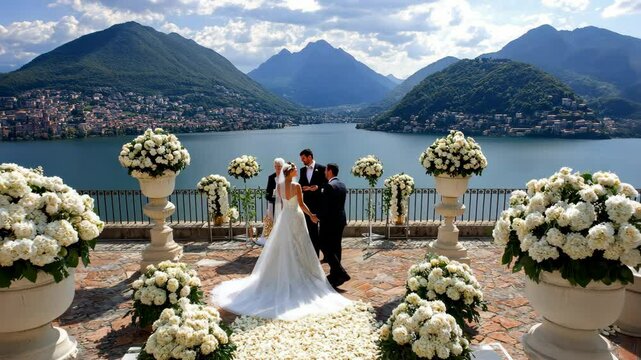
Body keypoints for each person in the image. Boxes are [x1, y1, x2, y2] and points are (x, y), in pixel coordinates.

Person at [210, 162, 351, 320]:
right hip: (296, 217)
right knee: (299, 244)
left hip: (285, 218)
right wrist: (311, 215)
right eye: (295, 169)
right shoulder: (297, 186)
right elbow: (301, 204)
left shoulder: (279, 186)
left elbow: (282, 205)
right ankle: (300, 273)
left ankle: (281, 272)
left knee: (284, 245)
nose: (297, 170)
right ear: (290, 172)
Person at [319, 163, 351, 288]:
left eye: (326, 170)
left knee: (324, 244)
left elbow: (326, 207)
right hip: (340, 220)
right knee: (336, 246)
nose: (324, 172)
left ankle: (340, 272)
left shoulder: (329, 186)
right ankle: (335, 276)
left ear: (330, 171)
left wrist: (317, 216)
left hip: (329, 222)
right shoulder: (342, 185)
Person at [298, 149, 327, 258]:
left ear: (310, 157)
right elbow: (300, 184)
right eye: (301, 159)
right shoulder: (302, 170)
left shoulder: (322, 168)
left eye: (303, 158)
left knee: (323, 232)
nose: (302, 161)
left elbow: (327, 184)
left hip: (319, 205)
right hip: (307, 206)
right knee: (311, 231)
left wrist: (318, 187)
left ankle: (327, 255)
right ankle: (315, 256)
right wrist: (303, 188)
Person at [257, 158, 284, 246]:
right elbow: (267, 193)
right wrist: (274, 198)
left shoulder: (286, 177)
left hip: (283, 204)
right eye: (276, 167)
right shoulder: (271, 177)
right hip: (272, 203)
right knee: (272, 220)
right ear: (274, 167)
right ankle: (270, 238)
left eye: (280, 166)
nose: (278, 168)